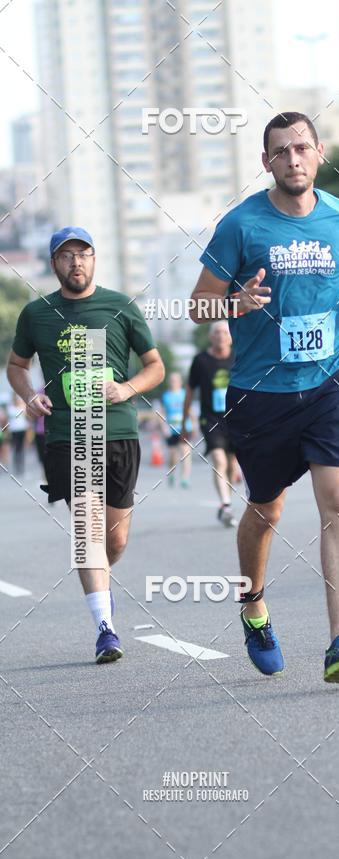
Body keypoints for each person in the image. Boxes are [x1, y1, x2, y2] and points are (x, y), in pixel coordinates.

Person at [189, 111, 339, 683]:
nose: (293, 159)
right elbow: (197, 302)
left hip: (330, 379)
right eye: (281, 152)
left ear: (319, 152)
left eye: (302, 148)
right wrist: (234, 304)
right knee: (266, 509)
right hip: (262, 391)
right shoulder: (241, 226)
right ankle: (253, 605)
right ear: (266, 162)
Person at [7, 226, 164, 661]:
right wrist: (29, 394)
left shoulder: (119, 307)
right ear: (53, 263)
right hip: (69, 433)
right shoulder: (36, 313)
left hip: (118, 431)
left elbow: (155, 366)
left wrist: (128, 389)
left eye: (84, 254)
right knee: (87, 529)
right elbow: (17, 365)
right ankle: (105, 628)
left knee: (113, 541)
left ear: (94, 260)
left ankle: (101, 590)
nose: (76, 262)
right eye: (66, 255)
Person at [183, 321, 238, 527]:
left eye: (225, 332)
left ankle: (227, 502)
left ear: (231, 337)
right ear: (210, 336)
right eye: (217, 332)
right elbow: (189, 390)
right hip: (211, 419)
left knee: (232, 465)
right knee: (219, 461)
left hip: (235, 417)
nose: (221, 336)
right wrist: (185, 421)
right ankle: (225, 504)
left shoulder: (238, 357)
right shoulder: (201, 360)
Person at [160, 372, 192, 488]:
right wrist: (164, 427)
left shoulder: (185, 394)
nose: (174, 382)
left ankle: (185, 478)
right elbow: (161, 413)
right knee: (173, 456)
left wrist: (194, 426)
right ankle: (172, 473)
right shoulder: (165, 396)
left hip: (185, 428)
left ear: (180, 382)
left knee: (185, 453)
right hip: (171, 429)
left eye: (176, 380)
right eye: (172, 380)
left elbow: (191, 411)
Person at [7, 392, 29, 477]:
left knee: (22, 448)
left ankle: (22, 467)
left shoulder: (22, 406)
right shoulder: (10, 408)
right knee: (16, 448)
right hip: (14, 430)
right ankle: (17, 466)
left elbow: (26, 416)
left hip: (22, 429)